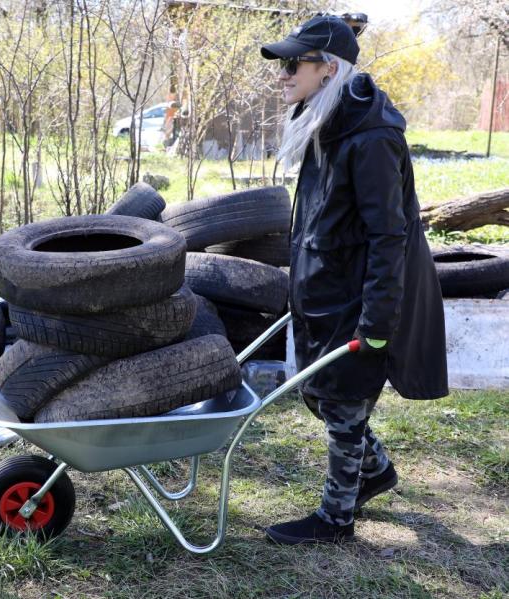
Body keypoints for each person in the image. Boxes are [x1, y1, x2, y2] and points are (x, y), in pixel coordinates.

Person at [259, 14, 448, 544]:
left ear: (329, 69)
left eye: (294, 63)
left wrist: (377, 319)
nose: (283, 74)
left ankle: (335, 518)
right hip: (325, 290)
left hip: (356, 297)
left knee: (343, 403)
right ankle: (377, 469)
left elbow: (391, 236)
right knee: (320, 396)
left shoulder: (371, 139)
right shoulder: (329, 122)